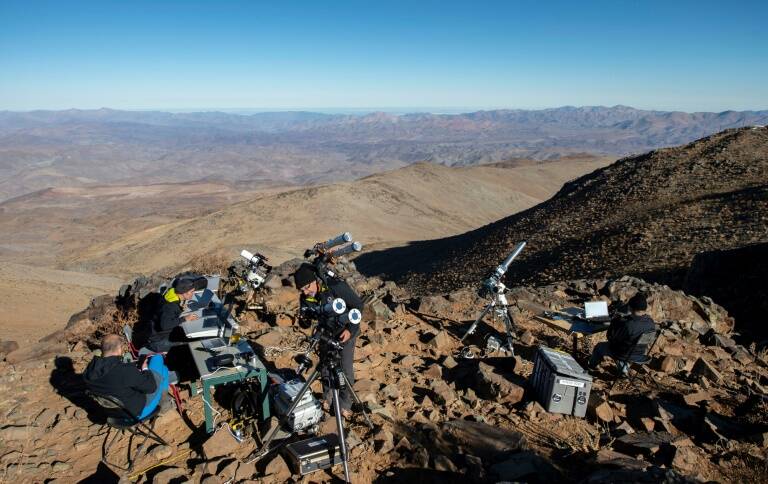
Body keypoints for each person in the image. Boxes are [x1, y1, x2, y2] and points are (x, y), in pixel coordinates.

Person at [293, 262, 363, 418]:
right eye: (301, 290)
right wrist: (304, 320)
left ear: (314, 281)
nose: (305, 293)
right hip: (325, 332)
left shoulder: (335, 286)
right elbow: (306, 321)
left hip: (345, 332)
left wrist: (349, 330)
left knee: (345, 370)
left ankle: (344, 405)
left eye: (306, 288)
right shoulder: (305, 297)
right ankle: (328, 398)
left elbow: (358, 305)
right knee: (325, 367)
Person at [84, 334, 170, 420]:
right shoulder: (124, 370)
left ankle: (165, 402)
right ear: (119, 349)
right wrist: (145, 368)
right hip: (136, 413)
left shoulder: (90, 368)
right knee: (157, 358)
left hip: (112, 412)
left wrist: (134, 373)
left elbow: (115, 379)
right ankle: (164, 404)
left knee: (164, 369)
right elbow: (151, 388)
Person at [587, 293, 656, 375]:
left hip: (624, 354)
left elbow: (611, 338)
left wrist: (615, 322)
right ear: (644, 309)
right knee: (622, 346)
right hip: (640, 354)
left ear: (630, 308)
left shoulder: (628, 324)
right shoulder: (650, 322)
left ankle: (590, 367)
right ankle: (623, 367)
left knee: (600, 347)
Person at [147, 278, 199, 352]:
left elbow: (168, 314)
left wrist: (180, 308)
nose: (193, 294)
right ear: (184, 292)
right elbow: (165, 325)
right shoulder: (170, 306)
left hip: (156, 335)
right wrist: (184, 319)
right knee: (192, 343)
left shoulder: (170, 295)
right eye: (191, 292)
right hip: (158, 342)